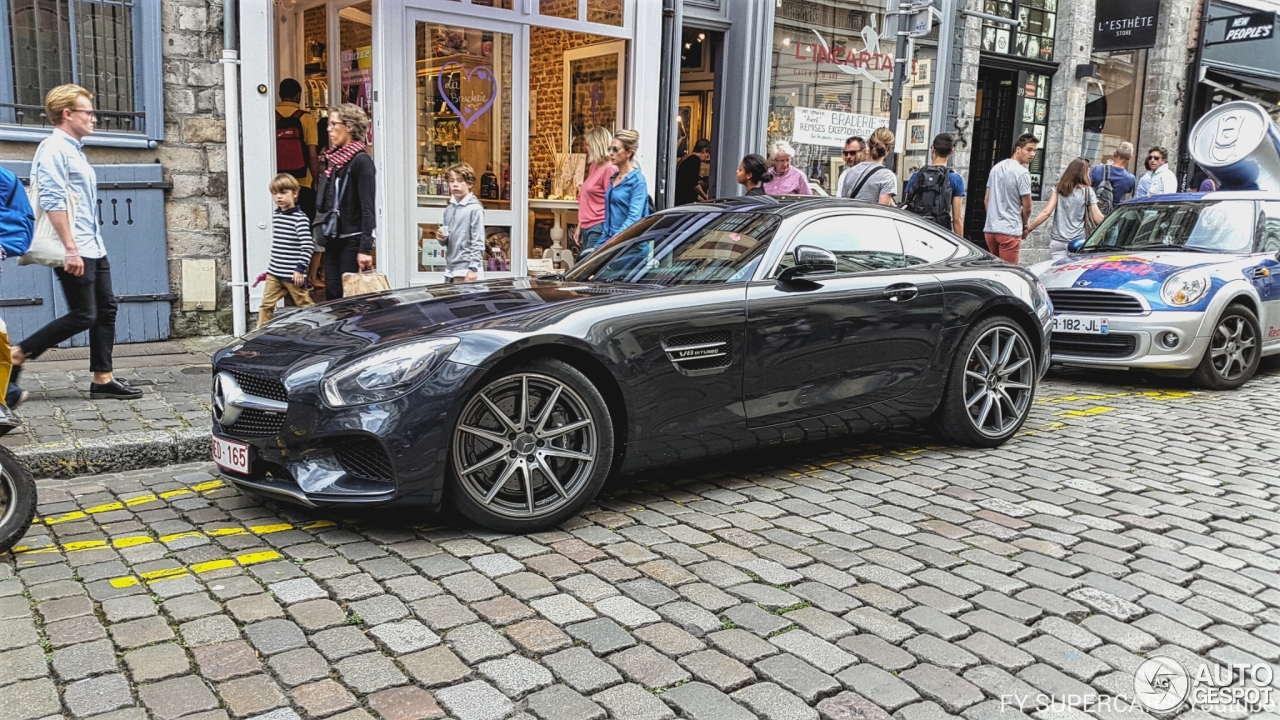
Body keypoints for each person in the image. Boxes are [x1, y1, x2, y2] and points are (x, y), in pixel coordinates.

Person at [10, 84, 140, 401]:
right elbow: (53, 201)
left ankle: (102, 379)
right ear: (68, 114)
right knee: (84, 314)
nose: (94, 118)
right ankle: (17, 354)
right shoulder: (54, 149)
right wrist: (70, 248)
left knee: (106, 308)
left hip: (92, 244)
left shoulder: (73, 149)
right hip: (76, 246)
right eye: (88, 112)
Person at [315, 103, 375, 300]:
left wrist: (365, 249)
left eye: (333, 124)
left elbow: (368, 208)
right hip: (333, 238)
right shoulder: (335, 161)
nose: (329, 129)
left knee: (351, 298)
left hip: (352, 239)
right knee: (332, 293)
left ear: (349, 126)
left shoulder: (361, 161)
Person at [258, 174, 316, 326]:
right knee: (266, 305)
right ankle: (259, 335)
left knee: (305, 305)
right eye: (275, 193)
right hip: (275, 272)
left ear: (295, 193)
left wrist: (300, 269)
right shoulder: (277, 215)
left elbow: (308, 245)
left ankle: (317, 328)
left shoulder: (300, 218)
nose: (279, 197)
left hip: (293, 274)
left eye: (283, 193)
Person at [1025, 158, 1104, 261]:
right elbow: (1097, 218)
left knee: (1058, 272)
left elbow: (1046, 212)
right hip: (1077, 242)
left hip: (1057, 240)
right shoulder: (1088, 191)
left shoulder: (1058, 189)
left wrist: (1029, 228)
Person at [983, 132, 1038, 264]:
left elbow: (986, 200)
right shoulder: (1023, 173)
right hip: (1010, 229)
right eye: (1029, 149)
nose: (1032, 154)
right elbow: (1028, 207)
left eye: (1035, 150)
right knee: (1009, 272)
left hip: (991, 229)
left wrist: (994, 217)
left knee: (995, 270)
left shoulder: (996, 168)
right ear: (1018, 149)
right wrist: (1024, 224)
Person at [275, 79, 321, 220]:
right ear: (298, 96)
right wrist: (316, 180)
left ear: (279, 94)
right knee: (304, 227)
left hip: (278, 183)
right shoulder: (306, 118)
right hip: (302, 184)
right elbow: (312, 154)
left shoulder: (270, 116)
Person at [903, 133, 966, 235]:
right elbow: (957, 219)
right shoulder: (956, 179)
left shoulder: (916, 175)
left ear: (933, 149)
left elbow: (907, 205)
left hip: (916, 230)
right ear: (951, 152)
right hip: (940, 234)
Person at [598, 129, 650, 246]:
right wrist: (599, 246)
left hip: (630, 248)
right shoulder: (614, 178)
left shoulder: (637, 181)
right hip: (611, 243)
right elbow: (609, 220)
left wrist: (612, 242)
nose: (611, 153)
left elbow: (634, 218)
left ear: (628, 153)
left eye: (615, 149)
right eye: (609, 149)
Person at [438, 163, 485, 283]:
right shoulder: (449, 210)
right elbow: (445, 241)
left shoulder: (475, 209)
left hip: (467, 269)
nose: (455, 184)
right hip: (450, 268)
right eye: (451, 181)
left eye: (460, 181)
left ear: (470, 184)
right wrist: (442, 238)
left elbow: (478, 240)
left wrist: (473, 268)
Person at [576, 127, 616, 258]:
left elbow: (613, 203)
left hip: (599, 227)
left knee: (589, 268)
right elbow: (586, 200)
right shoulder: (594, 166)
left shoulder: (610, 169)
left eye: (587, 144)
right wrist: (580, 226)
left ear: (596, 145)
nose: (586, 147)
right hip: (587, 227)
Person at [839, 127, 897, 204]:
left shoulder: (850, 172)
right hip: (870, 216)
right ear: (888, 149)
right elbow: (883, 211)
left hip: (850, 215)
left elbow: (844, 205)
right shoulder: (887, 176)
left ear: (869, 143)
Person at [1089, 142, 1136, 216]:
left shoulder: (1097, 170)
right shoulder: (1130, 179)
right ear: (1130, 157)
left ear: (1114, 153)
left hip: (1093, 215)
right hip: (1113, 218)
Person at [675, 139, 711, 206]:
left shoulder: (687, 157)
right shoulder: (695, 159)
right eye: (708, 153)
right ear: (704, 150)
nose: (707, 156)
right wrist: (706, 197)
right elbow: (694, 183)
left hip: (679, 197)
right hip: (685, 199)